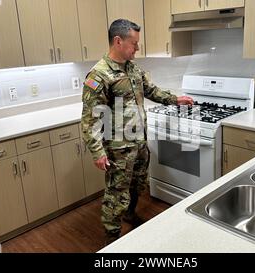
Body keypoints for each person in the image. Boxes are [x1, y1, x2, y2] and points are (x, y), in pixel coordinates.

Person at [81, 19, 194, 245]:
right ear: (118, 41)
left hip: (139, 142)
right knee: (116, 194)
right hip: (118, 149)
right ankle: (112, 241)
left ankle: (130, 215)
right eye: (134, 43)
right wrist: (97, 152)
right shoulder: (99, 75)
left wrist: (175, 99)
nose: (138, 48)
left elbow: (151, 90)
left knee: (138, 184)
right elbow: (89, 118)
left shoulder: (132, 68)